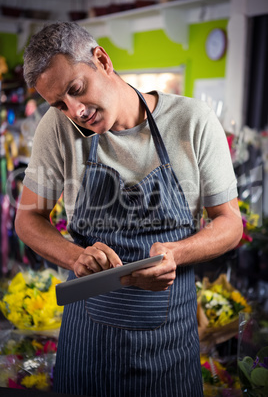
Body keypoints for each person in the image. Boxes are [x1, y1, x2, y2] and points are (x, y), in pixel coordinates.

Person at [15, 22, 243, 397]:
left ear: (102, 60)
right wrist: (75, 257)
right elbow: (27, 218)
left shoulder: (192, 122)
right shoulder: (56, 129)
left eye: (76, 89)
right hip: (87, 341)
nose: (75, 111)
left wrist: (177, 252)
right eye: (59, 103)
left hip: (170, 344)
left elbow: (230, 223)